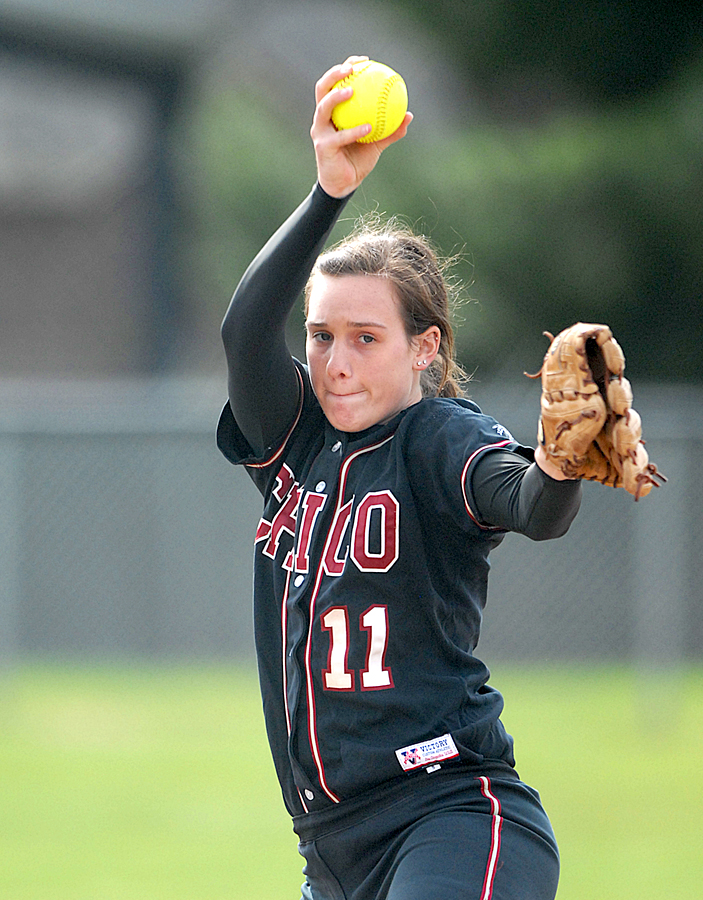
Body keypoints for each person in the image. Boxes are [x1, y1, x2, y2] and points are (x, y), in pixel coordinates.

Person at [217, 56, 583, 900]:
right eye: (320, 336)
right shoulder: (294, 440)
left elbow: (532, 505)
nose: (334, 362)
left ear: (425, 347)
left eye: (365, 337)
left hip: (450, 815)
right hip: (331, 852)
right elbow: (244, 335)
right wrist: (327, 192)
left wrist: (561, 461)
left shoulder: (438, 439)